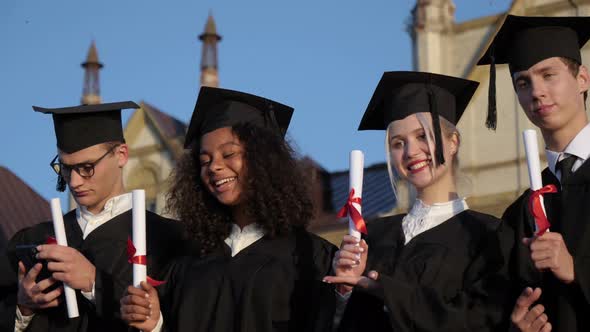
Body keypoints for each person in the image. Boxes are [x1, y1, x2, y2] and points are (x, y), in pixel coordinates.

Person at [120, 87, 337, 332]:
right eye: (205, 161)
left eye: (229, 154)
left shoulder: (313, 257)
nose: (215, 167)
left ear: (263, 158)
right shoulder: (185, 264)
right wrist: (155, 325)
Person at [323, 71, 511, 331]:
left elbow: (476, 321)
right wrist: (344, 290)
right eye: (398, 143)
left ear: (453, 141)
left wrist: (385, 290)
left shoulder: (488, 235)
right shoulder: (373, 235)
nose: (410, 152)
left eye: (423, 136)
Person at [0, 102, 194, 332]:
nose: (74, 181)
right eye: (65, 167)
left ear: (121, 155)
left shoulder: (170, 241)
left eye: (87, 167)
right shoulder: (35, 238)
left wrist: (94, 283)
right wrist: (23, 308)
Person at [478, 15, 590, 332]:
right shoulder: (521, 213)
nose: (536, 92)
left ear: (583, 78)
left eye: (548, 75)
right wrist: (516, 326)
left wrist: (576, 270)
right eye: (523, 83)